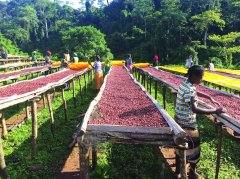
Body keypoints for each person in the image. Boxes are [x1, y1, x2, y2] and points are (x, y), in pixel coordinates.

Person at [174, 65, 226, 178]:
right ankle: (192, 172)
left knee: (179, 146)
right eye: (201, 77)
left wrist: (209, 97)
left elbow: (194, 92)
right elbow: (194, 109)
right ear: (194, 76)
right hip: (187, 124)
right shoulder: (189, 89)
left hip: (178, 120)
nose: (201, 79)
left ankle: (177, 171)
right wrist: (216, 110)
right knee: (194, 149)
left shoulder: (185, 83)